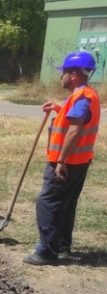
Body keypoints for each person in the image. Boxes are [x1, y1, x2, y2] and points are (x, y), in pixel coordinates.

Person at [23, 51, 100, 266]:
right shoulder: (84, 95)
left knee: (47, 202)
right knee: (66, 203)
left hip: (69, 163)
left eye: (63, 73)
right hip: (80, 161)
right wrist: (58, 108)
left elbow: (75, 130)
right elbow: (75, 118)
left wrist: (61, 161)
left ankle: (47, 251)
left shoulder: (83, 97)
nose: (61, 77)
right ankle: (63, 246)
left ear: (74, 75)